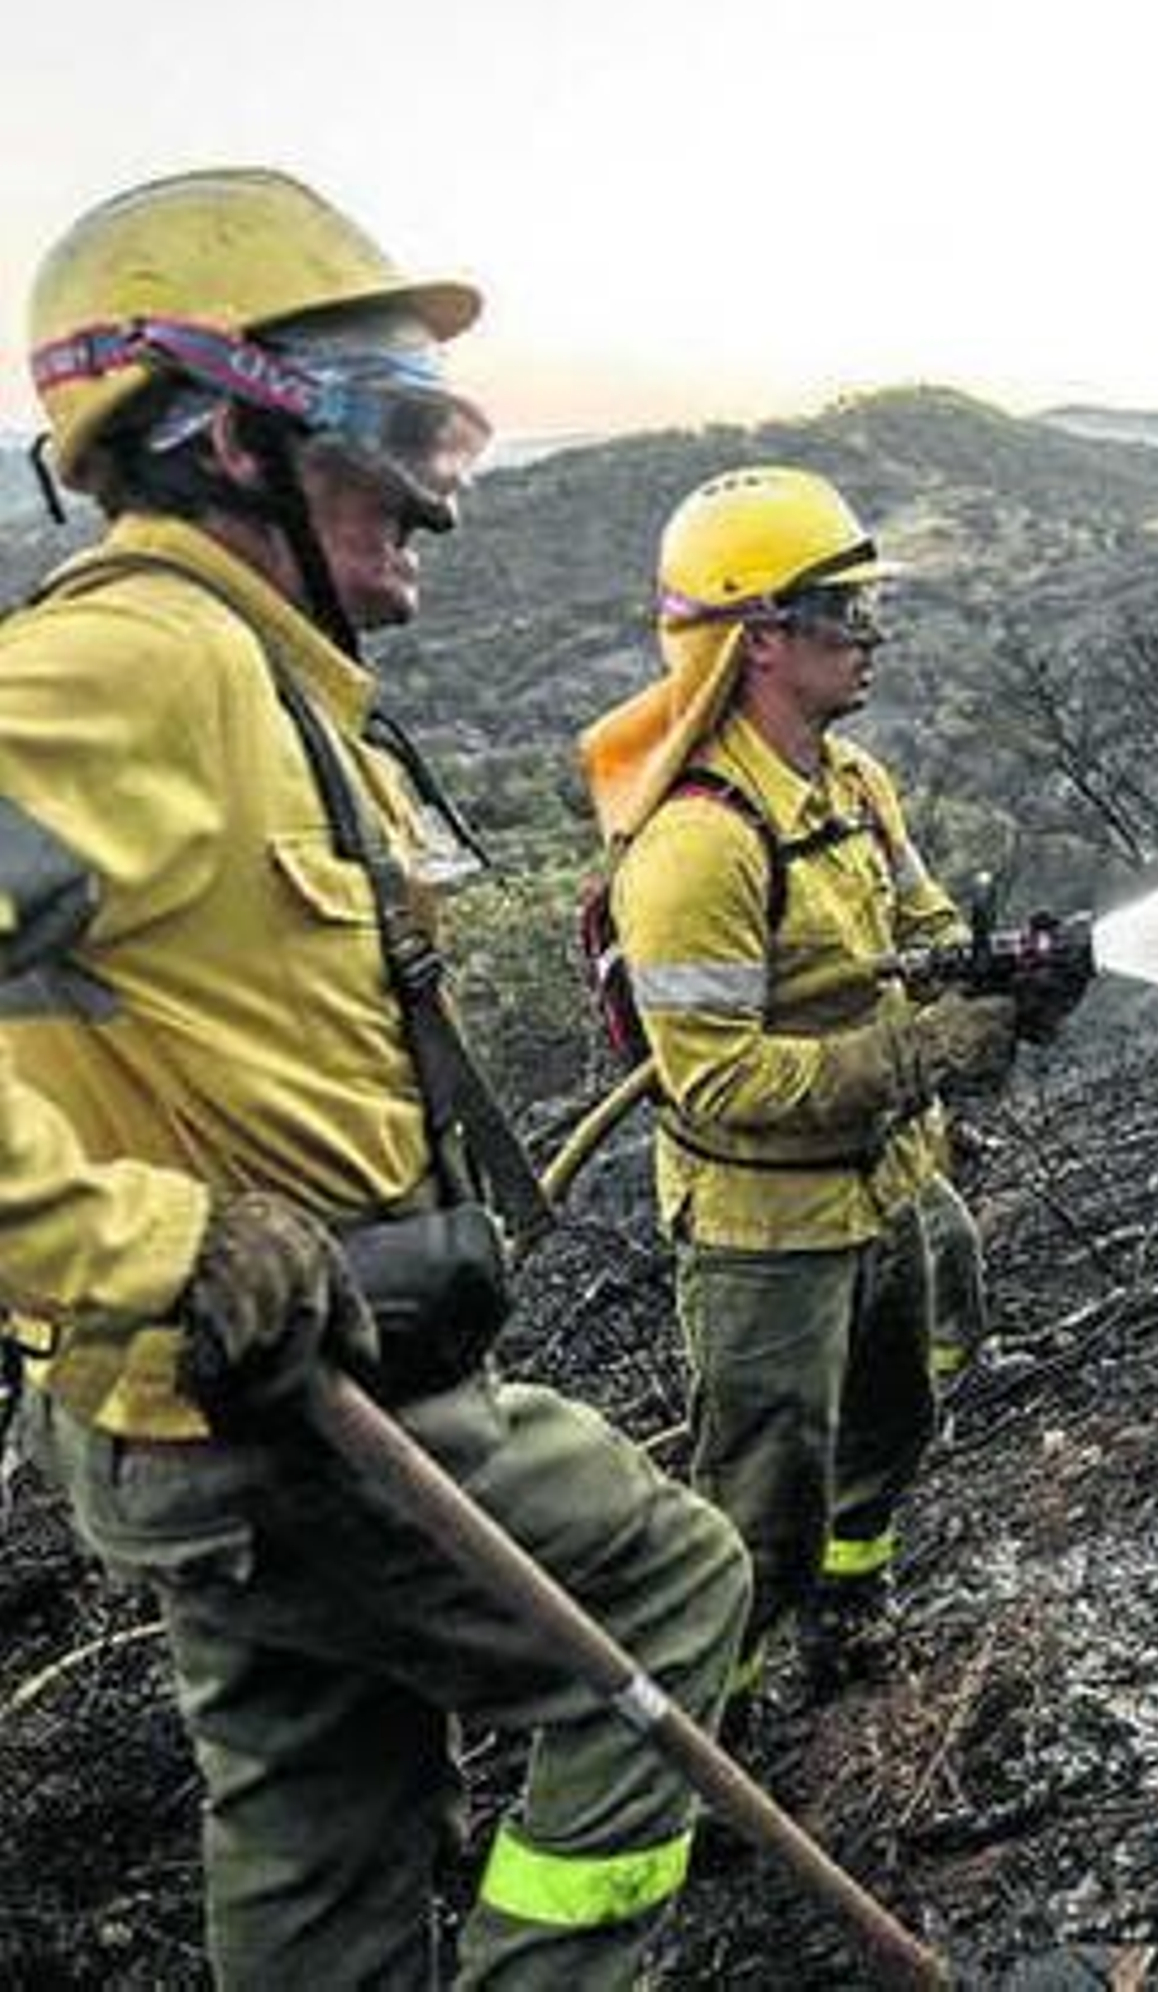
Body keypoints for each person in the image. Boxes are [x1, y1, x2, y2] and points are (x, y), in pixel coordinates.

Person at [0, 166, 749, 1990]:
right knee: (671, 1583)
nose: (439, 492)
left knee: (321, 1820)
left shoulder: (255, 680)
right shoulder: (137, 662)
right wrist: (154, 1243)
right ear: (225, 435)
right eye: (404, 434)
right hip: (273, 1409)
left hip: (238, 1415)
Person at [578, 465, 1030, 1709]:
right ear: (759, 637)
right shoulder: (698, 844)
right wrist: (926, 1052)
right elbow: (718, 1077)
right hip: (767, 1227)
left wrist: (996, 978)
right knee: (760, 1504)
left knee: (894, 1416)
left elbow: (923, 924)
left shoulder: (855, 784)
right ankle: (711, 1731)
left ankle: (848, 1605)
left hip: (888, 1176)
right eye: (844, 611)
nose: (869, 635)